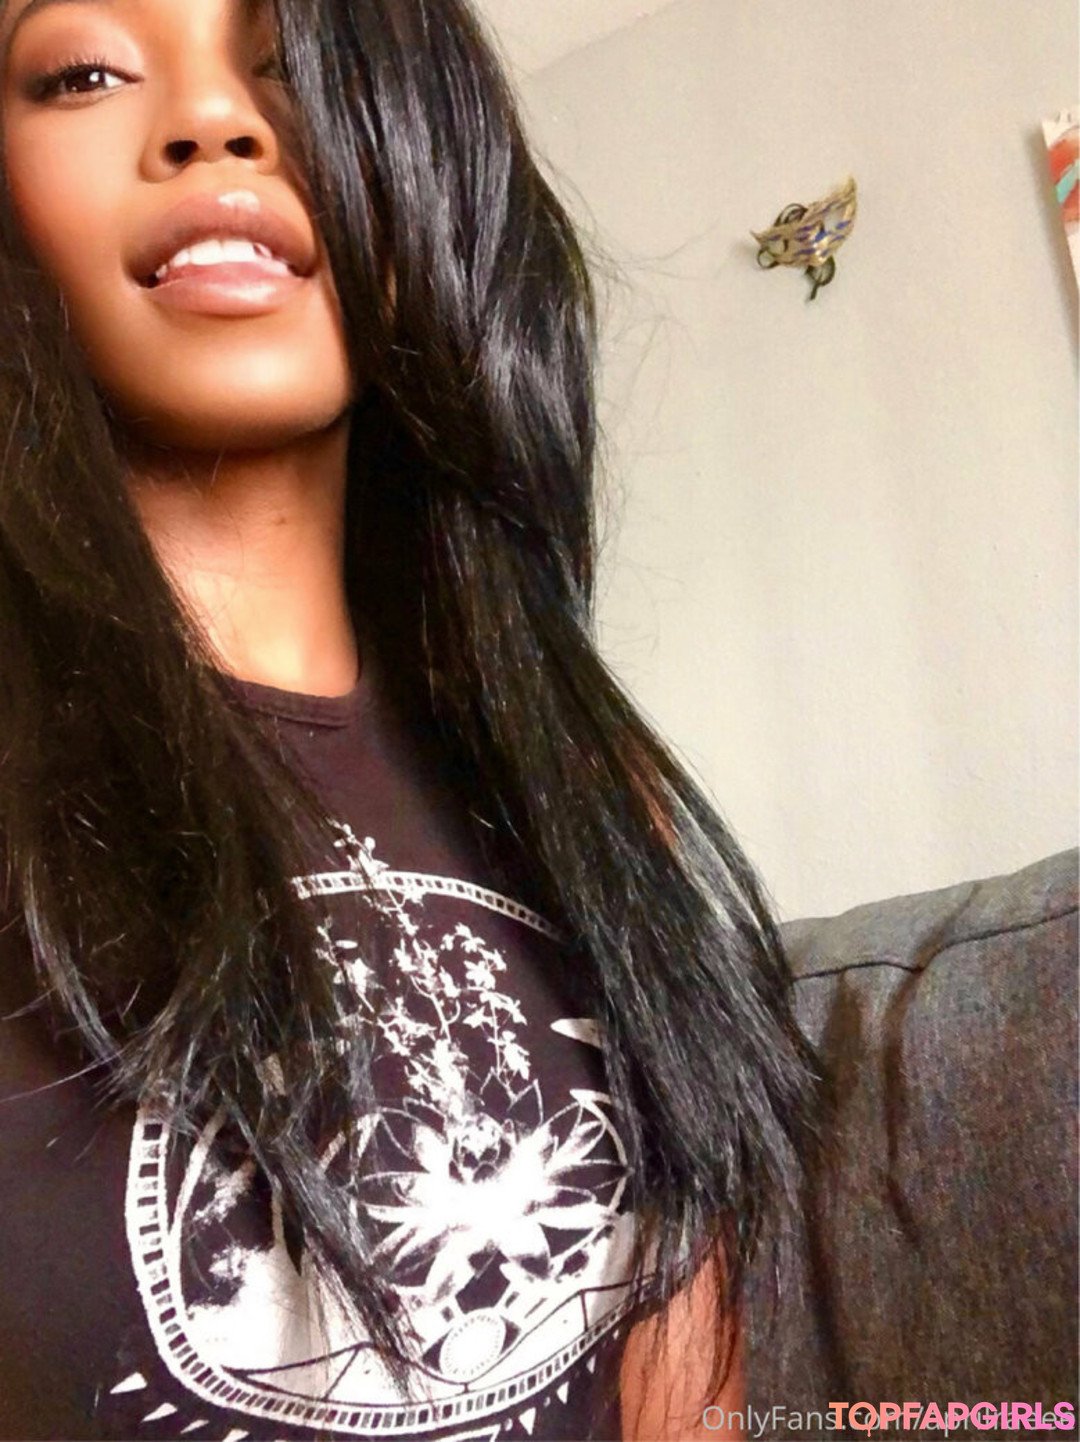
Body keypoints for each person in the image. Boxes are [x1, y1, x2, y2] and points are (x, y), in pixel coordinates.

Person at [0, 0, 820, 1437]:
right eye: (83, 72)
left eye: (290, 65)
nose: (213, 120)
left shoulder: (590, 797)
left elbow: (684, 1389)